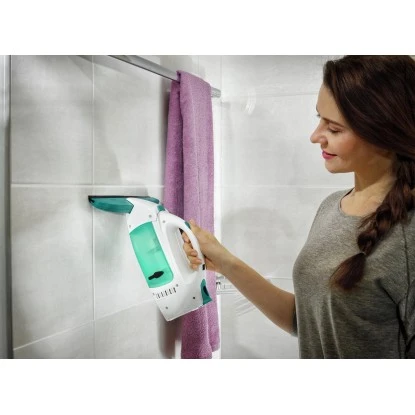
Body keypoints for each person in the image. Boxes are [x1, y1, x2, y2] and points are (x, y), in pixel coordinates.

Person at [182, 55, 415, 358]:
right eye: (319, 118)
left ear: (384, 133)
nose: (315, 136)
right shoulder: (332, 207)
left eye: (334, 129)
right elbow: (304, 321)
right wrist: (225, 261)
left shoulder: (408, 236)